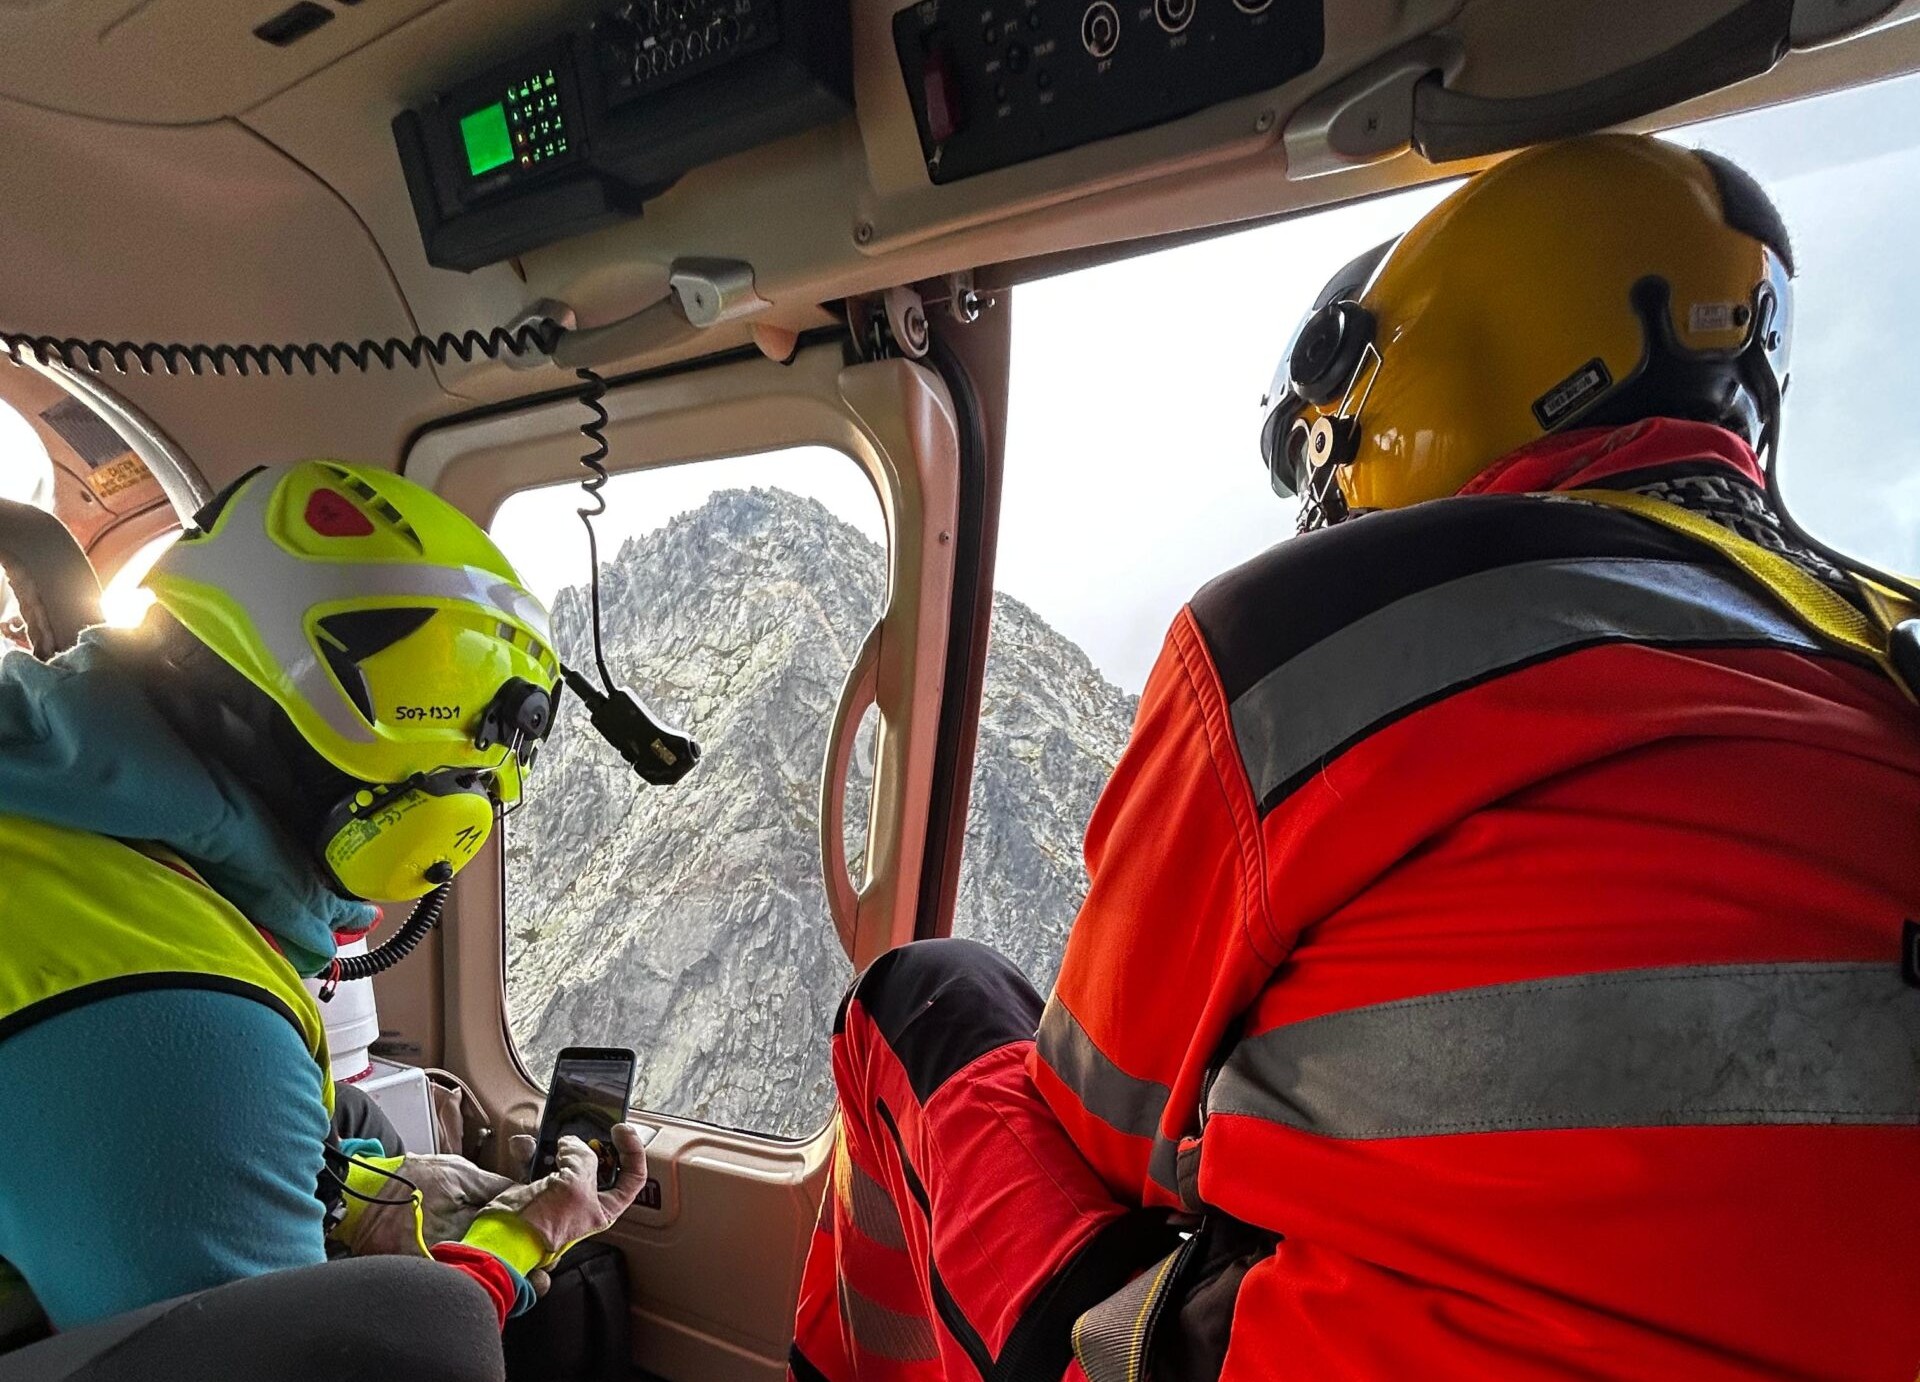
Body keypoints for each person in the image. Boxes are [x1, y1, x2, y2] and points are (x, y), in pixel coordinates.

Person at [790, 135, 1920, 1381]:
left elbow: (1099, 1115)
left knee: (920, 997)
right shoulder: (1886, 651)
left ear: (1428, 374)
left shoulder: (1306, 631)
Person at [0, 461, 646, 1371]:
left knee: (364, 1126)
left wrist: (381, 1192)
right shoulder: (171, 1013)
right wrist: (520, 1244)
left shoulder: (56, 812)